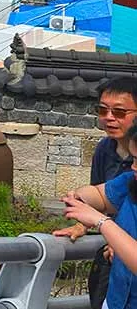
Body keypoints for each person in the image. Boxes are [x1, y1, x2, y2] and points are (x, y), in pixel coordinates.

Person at [55, 77, 137, 309]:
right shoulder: (107, 153)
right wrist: (79, 202)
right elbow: (101, 197)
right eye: (103, 110)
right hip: (118, 289)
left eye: (119, 112)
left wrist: (103, 225)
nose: (109, 118)